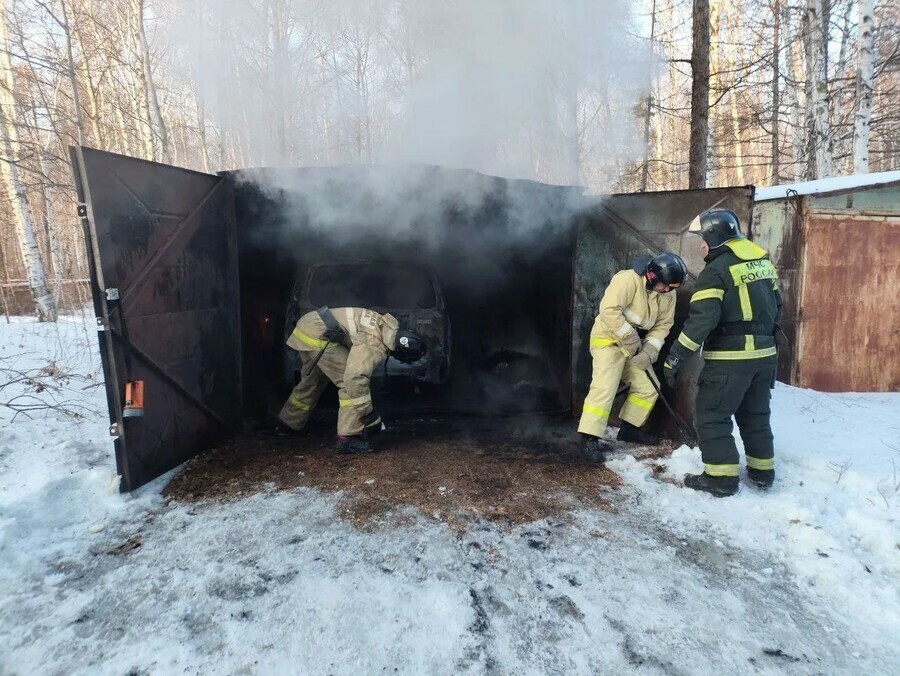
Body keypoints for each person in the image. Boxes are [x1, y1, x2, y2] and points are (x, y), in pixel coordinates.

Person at [663, 208, 782, 497]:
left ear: (714, 237)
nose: (701, 245)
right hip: (765, 357)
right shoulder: (763, 263)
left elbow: (701, 321)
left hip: (730, 361)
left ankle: (721, 478)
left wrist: (675, 356)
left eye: (702, 238)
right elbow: (778, 305)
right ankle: (763, 473)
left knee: (712, 416)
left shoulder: (716, 271)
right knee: (755, 416)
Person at [578, 252, 687, 463]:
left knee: (648, 386)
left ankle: (629, 429)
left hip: (636, 345)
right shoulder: (627, 279)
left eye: (672, 287)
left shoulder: (668, 292)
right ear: (652, 276)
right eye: (665, 285)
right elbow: (609, 311)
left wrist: (650, 351)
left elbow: (663, 325)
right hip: (608, 339)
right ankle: (589, 438)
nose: (667, 290)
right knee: (605, 386)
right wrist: (628, 337)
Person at [275, 307, 427, 454]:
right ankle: (348, 438)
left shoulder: (383, 324)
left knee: (314, 380)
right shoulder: (374, 342)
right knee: (350, 384)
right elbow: (355, 378)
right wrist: (368, 415)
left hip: (308, 326)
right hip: (319, 335)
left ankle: (288, 423)